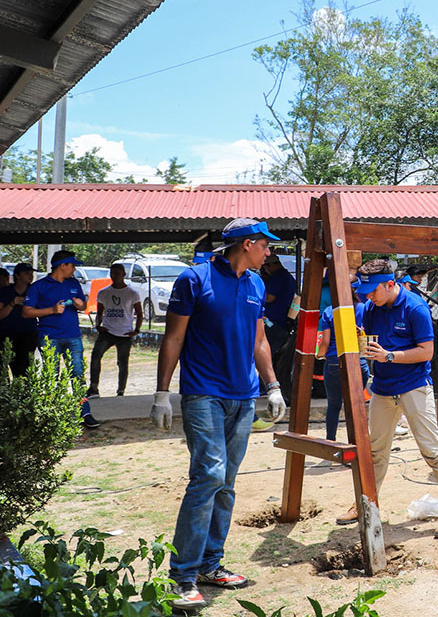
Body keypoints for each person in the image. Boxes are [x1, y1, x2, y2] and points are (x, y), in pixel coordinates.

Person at [149, 218, 288, 612]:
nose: (269, 252)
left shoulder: (256, 284)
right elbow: (173, 336)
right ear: (247, 244)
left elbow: (259, 339)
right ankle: (182, 576)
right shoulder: (194, 279)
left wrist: (273, 385)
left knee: (225, 482)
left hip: (242, 397)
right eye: (266, 245)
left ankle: (211, 564)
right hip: (203, 394)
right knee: (208, 475)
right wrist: (162, 393)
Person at [334, 260, 438, 537]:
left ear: (390, 284)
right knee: (375, 453)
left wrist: (390, 356)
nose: (368, 296)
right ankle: (365, 502)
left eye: (373, 290)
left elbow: (427, 352)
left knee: (432, 449)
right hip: (382, 388)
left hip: (414, 387)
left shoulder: (415, 307)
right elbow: (368, 342)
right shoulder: (370, 308)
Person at [23, 249, 96, 428]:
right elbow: (26, 312)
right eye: (72, 266)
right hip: (50, 338)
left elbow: (83, 305)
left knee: (78, 375)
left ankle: (84, 412)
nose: (74, 270)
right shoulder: (39, 286)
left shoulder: (74, 283)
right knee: (51, 376)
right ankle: (52, 414)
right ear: (62, 266)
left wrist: (81, 305)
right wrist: (51, 310)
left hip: (73, 336)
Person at [315, 283, 370, 443]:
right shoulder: (363, 309)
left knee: (333, 404)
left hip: (333, 361)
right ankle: (358, 443)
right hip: (359, 362)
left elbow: (325, 342)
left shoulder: (329, 311)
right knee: (356, 406)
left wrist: (319, 356)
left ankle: (330, 442)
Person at [88, 263, 143, 398]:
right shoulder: (104, 292)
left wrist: (136, 330)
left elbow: (139, 313)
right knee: (95, 357)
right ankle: (94, 387)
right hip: (107, 331)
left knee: (123, 362)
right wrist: (98, 325)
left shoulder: (132, 293)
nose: (114, 276)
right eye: (112, 274)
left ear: (123, 274)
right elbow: (99, 312)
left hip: (124, 333)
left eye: (117, 274)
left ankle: (120, 391)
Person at [0, 263, 38, 377]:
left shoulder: (34, 290)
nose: (30, 276)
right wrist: (13, 303)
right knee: (4, 366)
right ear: (17, 275)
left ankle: (23, 394)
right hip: (7, 334)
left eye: (31, 273)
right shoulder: (5, 291)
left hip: (28, 333)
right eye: (26, 273)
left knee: (25, 369)